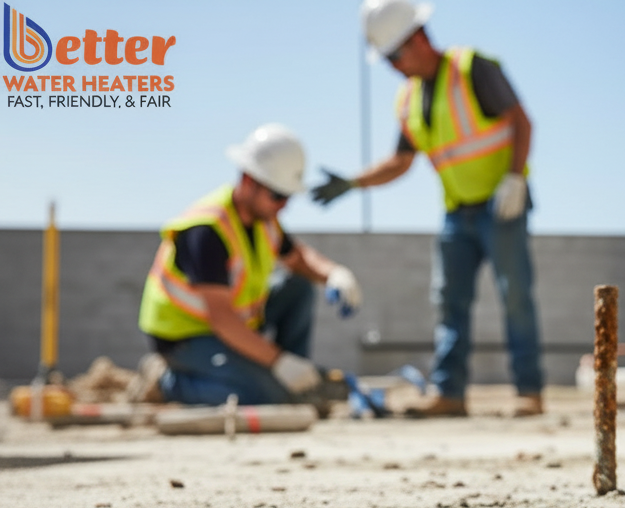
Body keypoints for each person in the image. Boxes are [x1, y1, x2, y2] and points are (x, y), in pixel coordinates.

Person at [311, 0, 544, 418]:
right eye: (385, 60)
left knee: (515, 298)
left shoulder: (474, 69)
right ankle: (449, 393)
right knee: (450, 304)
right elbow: (400, 161)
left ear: (417, 39)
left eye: (394, 56)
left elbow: (521, 122)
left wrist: (515, 179)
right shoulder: (408, 100)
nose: (392, 67)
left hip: (501, 204)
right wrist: (352, 183)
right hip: (458, 214)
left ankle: (530, 390)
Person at [136, 123, 363, 406]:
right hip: (186, 337)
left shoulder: (265, 223)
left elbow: (299, 259)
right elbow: (223, 321)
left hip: (236, 325)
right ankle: (166, 382)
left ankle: (300, 385)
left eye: (288, 196)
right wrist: (280, 363)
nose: (284, 206)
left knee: (299, 287)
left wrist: (334, 274)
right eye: (278, 196)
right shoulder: (206, 231)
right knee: (263, 396)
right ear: (249, 181)